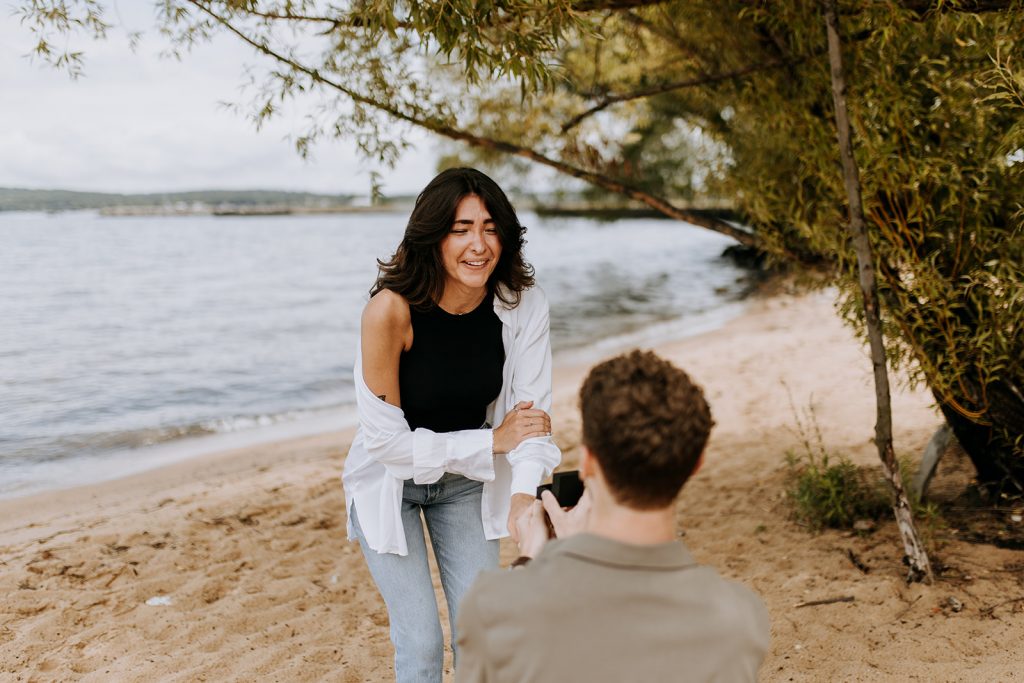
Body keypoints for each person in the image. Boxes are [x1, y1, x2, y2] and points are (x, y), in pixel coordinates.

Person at [341, 167, 561, 683]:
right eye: (461, 229)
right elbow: (387, 446)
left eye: (490, 228)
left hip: (466, 484)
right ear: (433, 236)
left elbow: (531, 423)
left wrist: (523, 495)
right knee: (421, 644)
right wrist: (491, 441)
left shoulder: (523, 304)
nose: (478, 245)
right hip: (389, 485)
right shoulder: (388, 312)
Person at [455, 350, 770, 682]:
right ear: (696, 465)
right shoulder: (739, 618)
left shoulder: (496, 606)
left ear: (588, 461)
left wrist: (530, 561)